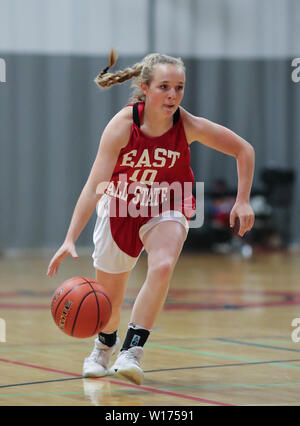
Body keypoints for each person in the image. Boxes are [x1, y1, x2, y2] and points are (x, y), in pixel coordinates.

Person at [47, 50, 255, 385]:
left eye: (179, 87)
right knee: (108, 302)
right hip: (121, 208)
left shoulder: (187, 125)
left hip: (166, 205)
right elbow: (93, 187)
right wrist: (70, 237)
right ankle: (104, 346)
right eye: (164, 87)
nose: (173, 95)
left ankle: (132, 351)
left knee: (161, 265)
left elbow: (243, 149)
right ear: (145, 88)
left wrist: (242, 200)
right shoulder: (122, 126)